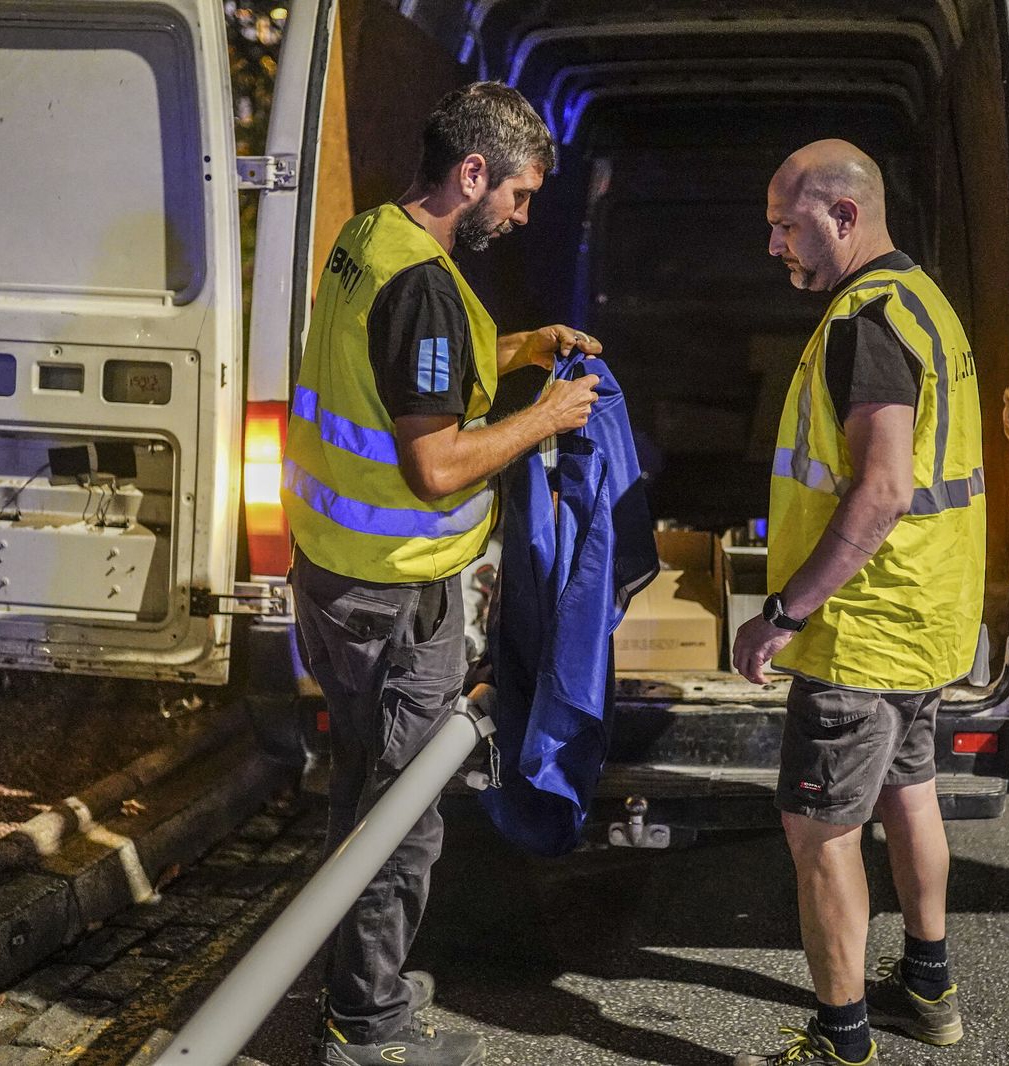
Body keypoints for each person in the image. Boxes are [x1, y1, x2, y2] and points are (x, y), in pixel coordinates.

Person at [281, 82, 603, 1066]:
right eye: (520, 194)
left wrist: (523, 350)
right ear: (474, 174)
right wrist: (546, 417)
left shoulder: (371, 239)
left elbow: (417, 375)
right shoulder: (421, 284)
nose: (522, 214)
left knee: (360, 789)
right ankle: (366, 1027)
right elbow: (434, 464)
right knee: (401, 819)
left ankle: (346, 987)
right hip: (394, 593)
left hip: (333, 576)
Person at [732, 140, 985, 1066]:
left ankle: (842, 1041)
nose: (774, 245)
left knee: (820, 832)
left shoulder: (865, 322)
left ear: (843, 215)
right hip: (926, 614)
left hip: (860, 629)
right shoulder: (924, 301)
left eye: (784, 224)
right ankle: (927, 984)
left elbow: (878, 490)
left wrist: (785, 612)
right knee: (909, 789)